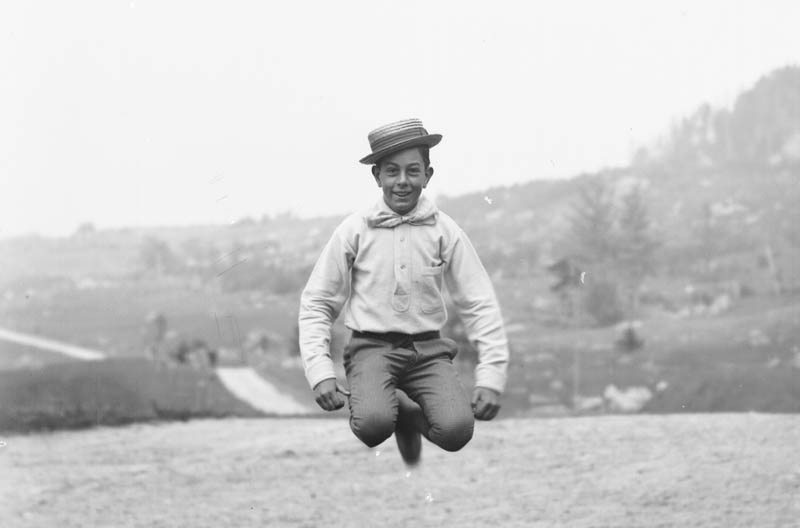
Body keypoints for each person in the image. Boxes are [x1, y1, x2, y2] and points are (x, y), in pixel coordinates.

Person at [298, 118, 510, 466]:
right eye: (392, 171)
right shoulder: (354, 229)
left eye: (413, 171)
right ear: (377, 175)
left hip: (428, 350)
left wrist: (491, 376)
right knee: (372, 425)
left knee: (457, 431)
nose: (402, 182)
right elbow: (318, 302)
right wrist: (320, 371)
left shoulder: (445, 230)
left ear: (428, 174)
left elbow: (479, 302)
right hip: (371, 349)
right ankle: (389, 414)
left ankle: (411, 418)